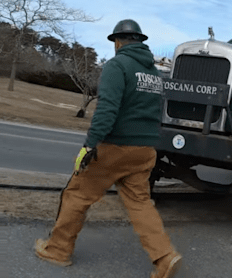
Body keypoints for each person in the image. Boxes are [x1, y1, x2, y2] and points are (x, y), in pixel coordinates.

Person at [34, 19, 182, 278]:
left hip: (115, 147)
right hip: (145, 149)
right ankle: (165, 257)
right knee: (140, 204)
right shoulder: (155, 75)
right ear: (140, 41)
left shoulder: (117, 65)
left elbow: (107, 109)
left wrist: (90, 144)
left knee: (76, 195)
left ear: (118, 42)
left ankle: (57, 250)